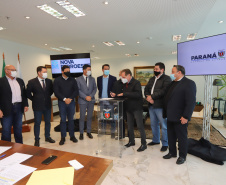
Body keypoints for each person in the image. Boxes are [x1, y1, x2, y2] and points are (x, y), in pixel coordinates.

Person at [163, 65, 196, 165]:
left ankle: (182, 156)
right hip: (170, 115)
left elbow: (191, 102)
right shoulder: (172, 83)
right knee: (171, 136)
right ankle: (172, 152)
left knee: (182, 137)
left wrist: (186, 116)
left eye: (173, 72)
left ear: (179, 72)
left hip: (181, 117)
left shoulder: (189, 83)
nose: (171, 74)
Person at [113, 69, 146, 152]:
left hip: (137, 108)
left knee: (139, 126)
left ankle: (143, 144)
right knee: (130, 126)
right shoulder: (125, 84)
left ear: (129, 75)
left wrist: (125, 94)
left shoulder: (136, 82)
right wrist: (116, 95)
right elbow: (123, 95)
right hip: (128, 108)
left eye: (123, 77)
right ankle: (131, 141)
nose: (122, 78)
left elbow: (138, 94)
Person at [144, 62, 171, 152]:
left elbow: (164, 91)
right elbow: (146, 89)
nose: (154, 70)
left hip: (160, 105)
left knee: (164, 125)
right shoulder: (152, 79)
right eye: (154, 69)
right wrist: (148, 97)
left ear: (162, 70)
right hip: (151, 105)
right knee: (153, 124)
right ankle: (155, 140)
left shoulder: (167, 79)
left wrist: (152, 97)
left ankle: (165, 144)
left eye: (156, 69)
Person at [26, 66, 55, 147]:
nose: (46, 73)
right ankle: (37, 139)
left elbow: (51, 91)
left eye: (46, 72)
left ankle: (47, 136)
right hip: (37, 106)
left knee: (48, 122)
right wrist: (35, 99)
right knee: (37, 123)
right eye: (44, 72)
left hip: (47, 105)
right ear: (39, 73)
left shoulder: (49, 81)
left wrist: (45, 98)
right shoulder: (32, 82)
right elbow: (28, 93)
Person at [0, 65, 28, 143]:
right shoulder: (1, 81)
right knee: (6, 130)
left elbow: (24, 94)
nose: (14, 71)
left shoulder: (20, 80)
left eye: (15, 70)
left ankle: (19, 146)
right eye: (12, 70)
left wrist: (25, 104)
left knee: (18, 128)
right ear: (6, 71)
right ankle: (6, 148)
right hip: (6, 108)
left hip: (19, 107)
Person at [53, 65, 79, 145]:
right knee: (63, 120)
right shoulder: (57, 80)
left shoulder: (73, 79)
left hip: (71, 102)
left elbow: (76, 91)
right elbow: (56, 92)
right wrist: (64, 99)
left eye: (69, 70)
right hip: (62, 103)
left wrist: (70, 99)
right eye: (66, 71)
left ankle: (72, 136)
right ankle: (63, 137)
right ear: (62, 71)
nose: (68, 72)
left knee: (71, 120)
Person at [76, 64, 97, 140]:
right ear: (84, 70)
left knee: (89, 117)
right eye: (88, 69)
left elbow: (95, 88)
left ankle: (89, 131)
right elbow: (78, 90)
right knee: (82, 117)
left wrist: (90, 96)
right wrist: (85, 97)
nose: (89, 71)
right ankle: (81, 133)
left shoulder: (92, 79)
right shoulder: (78, 79)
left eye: (90, 70)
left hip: (91, 100)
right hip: (82, 101)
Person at [97, 64, 117, 138]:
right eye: (105, 69)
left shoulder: (113, 78)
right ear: (102, 70)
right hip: (102, 101)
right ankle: (103, 131)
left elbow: (115, 89)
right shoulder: (98, 78)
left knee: (111, 117)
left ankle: (112, 133)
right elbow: (99, 88)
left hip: (110, 101)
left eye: (108, 69)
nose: (106, 70)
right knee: (102, 117)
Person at [111, 70, 126, 138]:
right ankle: (121, 134)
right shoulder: (116, 83)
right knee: (120, 120)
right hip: (119, 104)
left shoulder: (128, 82)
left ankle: (130, 136)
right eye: (121, 75)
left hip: (128, 104)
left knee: (129, 120)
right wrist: (113, 94)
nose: (122, 77)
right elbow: (113, 92)